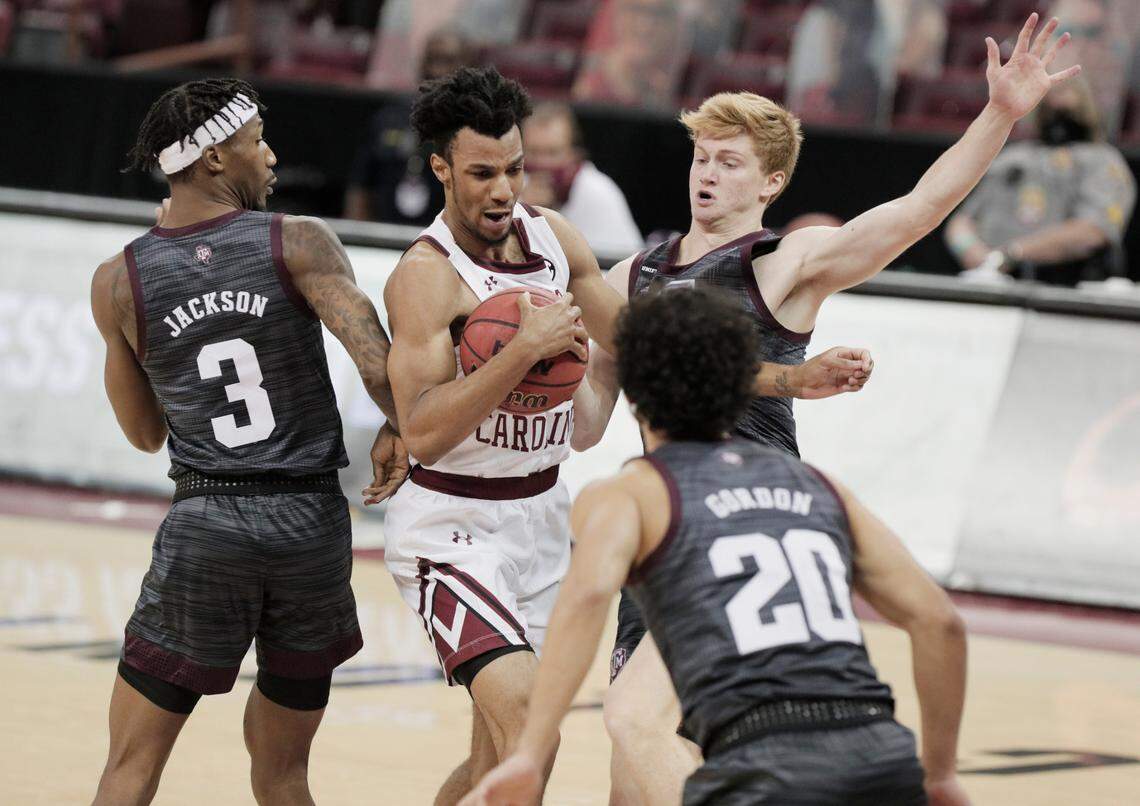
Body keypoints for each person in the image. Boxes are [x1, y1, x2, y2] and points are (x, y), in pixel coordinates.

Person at [568, 13, 1079, 804]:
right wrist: (563, 397)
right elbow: (596, 399)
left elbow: (915, 212)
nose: (707, 174)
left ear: (770, 183)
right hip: (663, 513)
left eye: (730, 163)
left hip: (751, 516)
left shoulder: (785, 262)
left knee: (645, 729)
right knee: (633, 760)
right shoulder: (637, 265)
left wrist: (999, 114)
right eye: (702, 157)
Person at [379, 65, 877, 805]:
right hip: (455, 525)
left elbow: (655, 350)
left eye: (515, 169)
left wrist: (785, 381)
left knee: (508, 759)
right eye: (482, 174)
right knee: (522, 724)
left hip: (540, 519)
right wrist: (520, 352)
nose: (503, 191)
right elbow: (422, 433)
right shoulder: (424, 274)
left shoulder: (553, 238)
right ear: (442, 169)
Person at [461, 287, 970, 806]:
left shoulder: (631, 493)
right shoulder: (818, 486)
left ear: (634, 395)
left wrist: (529, 754)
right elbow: (941, 622)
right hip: (881, 756)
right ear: (741, 387)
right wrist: (943, 773)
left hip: (762, 770)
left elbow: (589, 597)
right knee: (632, 712)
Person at [89, 77, 406, 805]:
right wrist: (402, 430)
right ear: (211, 160)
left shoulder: (118, 282)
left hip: (208, 528)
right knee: (285, 773)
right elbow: (379, 367)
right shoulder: (298, 241)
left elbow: (143, 434)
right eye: (256, 141)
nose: (269, 157)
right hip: (310, 528)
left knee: (130, 767)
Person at [946, 75, 1135, 287]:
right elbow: (961, 222)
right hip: (989, 282)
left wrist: (1012, 254)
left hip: (1065, 290)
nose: (1056, 101)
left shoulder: (1103, 161)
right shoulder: (1012, 158)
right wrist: (972, 251)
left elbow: (1093, 231)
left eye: (1066, 94)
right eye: (1050, 96)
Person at [345, 28, 475, 226]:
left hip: (450, 245)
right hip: (384, 236)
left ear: (469, 66)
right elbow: (361, 186)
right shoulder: (389, 118)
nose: (437, 71)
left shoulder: (480, 127)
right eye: (432, 60)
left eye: (448, 61)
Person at [521, 102, 643, 256]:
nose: (542, 163)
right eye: (533, 152)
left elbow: (620, 266)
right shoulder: (515, 186)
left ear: (573, 153)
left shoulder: (597, 190)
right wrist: (525, 212)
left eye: (552, 153)